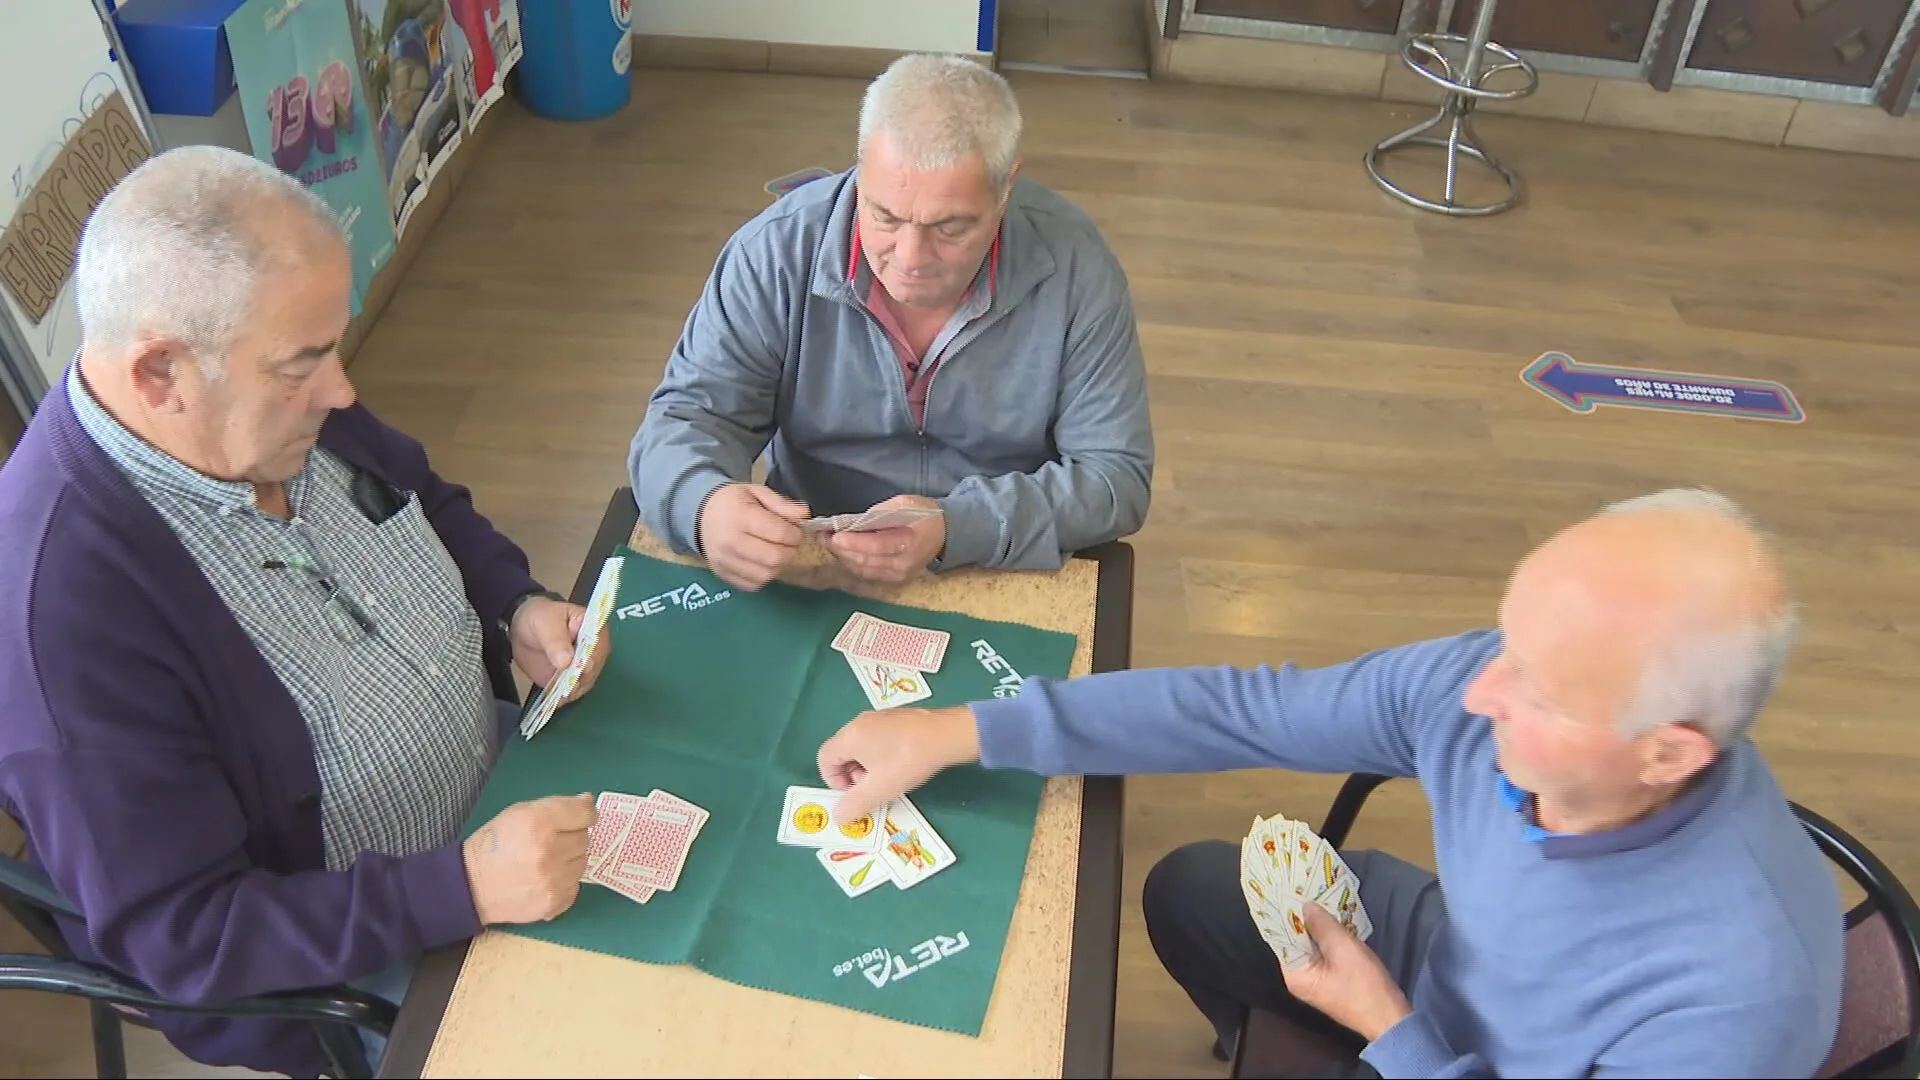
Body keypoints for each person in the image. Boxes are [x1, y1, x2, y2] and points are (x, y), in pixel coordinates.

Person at [816, 489, 1845, 1079]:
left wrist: (1391, 1033)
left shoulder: (1740, 998)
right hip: (1453, 957)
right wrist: (961, 727)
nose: (1477, 693)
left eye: (1541, 688)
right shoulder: (1484, 685)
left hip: (1472, 1049)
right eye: (1507, 640)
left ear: (1670, 753)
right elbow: (1244, 707)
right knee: (1190, 890)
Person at [0, 146, 605, 1078]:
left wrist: (513, 601)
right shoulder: (65, 618)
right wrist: (461, 887)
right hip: (362, 951)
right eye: (303, 364)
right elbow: (189, 937)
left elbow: (423, 499)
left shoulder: (270, 407)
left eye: (334, 345)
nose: (344, 390)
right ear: (161, 372)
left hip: (489, 791)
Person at [627, 53, 1154, 593]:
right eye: (883, 216)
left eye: (950, 227)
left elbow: (1116, 479)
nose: (911, 259)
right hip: (813, 557)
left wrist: (957, 527)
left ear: (1005, 190)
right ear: (859, 168)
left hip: (996, 560)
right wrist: (703, 505)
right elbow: (686, 418)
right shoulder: (775, 252)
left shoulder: (1076, 270)